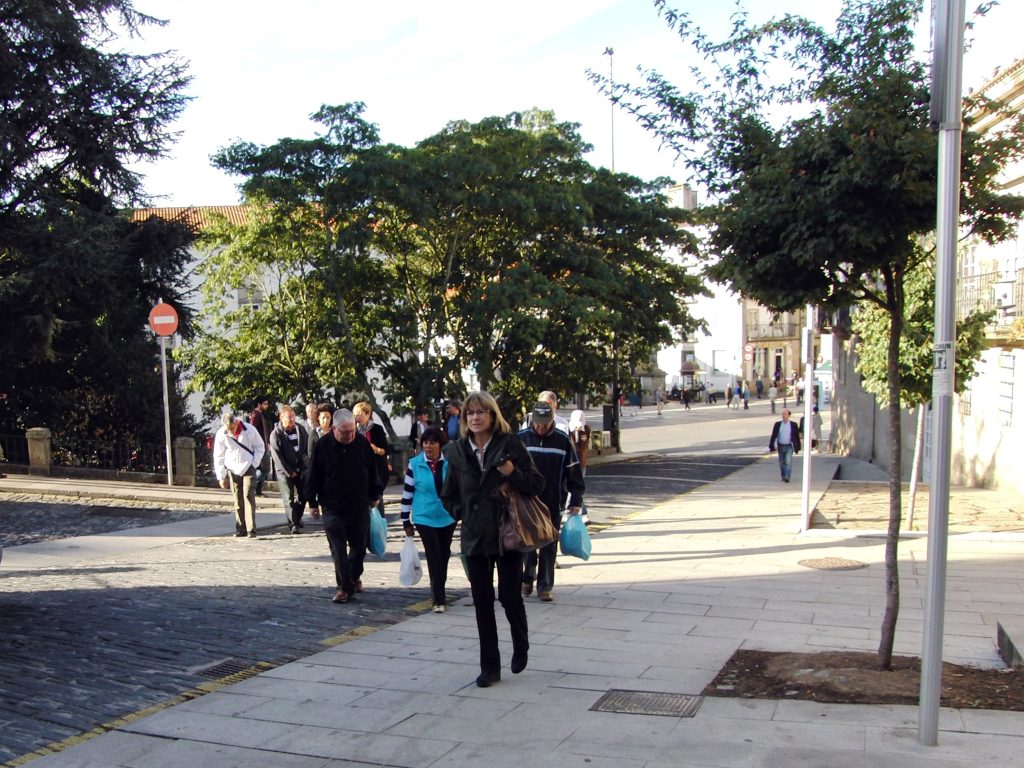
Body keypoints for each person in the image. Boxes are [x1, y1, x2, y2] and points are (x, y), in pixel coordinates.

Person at [440, 390, 544, 688]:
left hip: (506, 533)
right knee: (482, 602)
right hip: (474, 538)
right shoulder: (457, 451)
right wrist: (463, 513)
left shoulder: (510, 445)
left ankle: (521, 644)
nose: (475, 417)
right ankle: (490, 667)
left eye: (480, 412)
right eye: (470, 413)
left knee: (509, 597)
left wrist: (512, 472)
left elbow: (537, 484)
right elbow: (447, 495)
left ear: (492, 415)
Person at [305, 409, 384, 604]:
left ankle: (354, 577)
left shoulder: (362, 444)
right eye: (344, 432)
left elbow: (373, 471)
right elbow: (313, 475)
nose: (349, 435)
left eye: (352, 431)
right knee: (338, 548)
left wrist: (375, 495)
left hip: (359, 505)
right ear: (334, 429)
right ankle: (343, 588)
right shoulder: (322, 446)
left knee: (359, 548)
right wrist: (312, 503)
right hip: (332, 506)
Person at [517, 402, 585, 603]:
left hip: (553, 503)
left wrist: (576, 499)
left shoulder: (562, 441)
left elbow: (574, 472)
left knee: (549, 545)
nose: (540, 427)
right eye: (537, 423)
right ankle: (527, 577)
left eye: (545, 424)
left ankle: (545, 586)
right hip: (527, 502)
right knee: (527, 544)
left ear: (552, 421)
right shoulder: (521, 439)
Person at [400, 426, 455, 613]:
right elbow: (407, 494)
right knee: (434, 555)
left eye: (433, 442)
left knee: (444, 554)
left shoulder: (449, 463)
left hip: (447, 516)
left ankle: (440, 586)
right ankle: (438, 598)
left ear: (441, 445)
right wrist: (405, 521)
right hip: (424, 517)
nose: (428, 446)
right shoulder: (415, 464)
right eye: (425, 442)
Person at [213, 411, 266, 538]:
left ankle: (251, 529)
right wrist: (221, 476)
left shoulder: (249, 430)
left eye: (232, 428)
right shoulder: (222, 433)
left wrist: (254, 463)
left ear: (236, 422)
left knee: (248, 496)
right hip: (233, 468)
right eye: (228, 429)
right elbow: (218, 455)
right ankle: (240, 528)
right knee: (238, 499)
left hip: (248, 466)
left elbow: (260, 446)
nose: (230, 431)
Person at [269, 404, 310, 534]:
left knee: (304, 495)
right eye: (288, 417)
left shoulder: (300, 429)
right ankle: (293, 524)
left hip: (301, 469)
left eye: (293, 416)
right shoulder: (276, 434)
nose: (292, 419)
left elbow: (306, 449)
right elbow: (277, 457)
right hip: (285, 471)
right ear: (281, 418)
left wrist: (306, 465)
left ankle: (297, 516)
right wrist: (288, 471)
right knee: (289, 498)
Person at [353, 401, 391, 515]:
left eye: (359, 413)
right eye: (355, 414)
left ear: (368, 414)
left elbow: (386, 450)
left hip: (375, 470)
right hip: (359, 470)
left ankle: (379, 521)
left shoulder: (377, 429)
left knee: (377, 498)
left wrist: (376, 449)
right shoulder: (353, 430)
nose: (356, 416)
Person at [768, 408, 801, 483]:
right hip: (780, 446)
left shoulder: (793, 425)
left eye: (785, 414)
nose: (783, 415)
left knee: (788, 462)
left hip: (789, 446)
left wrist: (798, 447)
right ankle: (783, 476)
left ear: (789, 415)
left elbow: (796, 436)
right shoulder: (778, 424)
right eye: (783, 414)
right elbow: (774, 435)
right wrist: (772, 445)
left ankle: (787, 477)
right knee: (781, 463)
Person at [249, 394, 273, 495]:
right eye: (265, 404)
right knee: (265, 469)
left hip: (263, 445)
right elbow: (252, 430)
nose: (267, 406)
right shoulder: (256, 415)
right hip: (259, 446)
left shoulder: (260, 415)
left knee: (264, 468)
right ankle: (251, 484)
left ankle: (257, 490)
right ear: (259, 404)